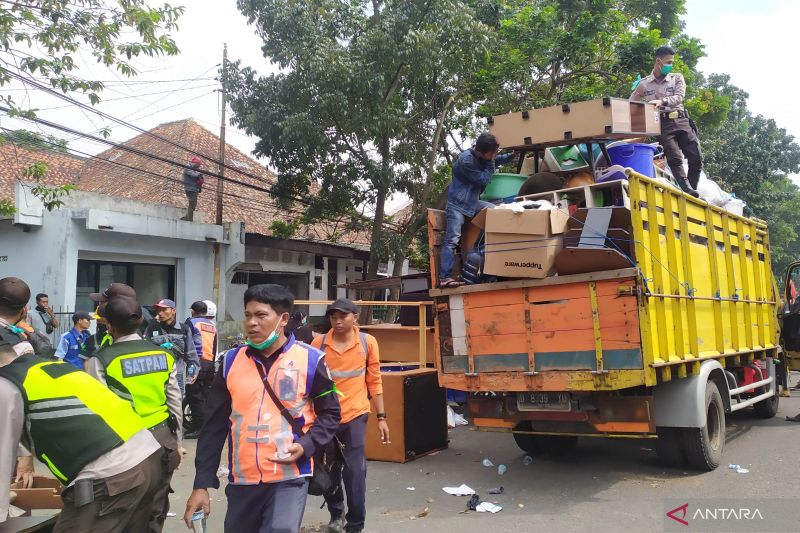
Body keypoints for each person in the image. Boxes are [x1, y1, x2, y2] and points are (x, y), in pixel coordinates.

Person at [183, 284, 341, 533]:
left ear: (283, 319)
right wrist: (201, 484)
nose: (251, 323)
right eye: (247, 315)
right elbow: (213, 427)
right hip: (242, 480)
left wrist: (307, 445)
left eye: (261, 315)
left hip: (289, 477)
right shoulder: (230, 363)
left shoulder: (311, 361)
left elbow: (331, 414)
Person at [0, 326, 165, 530]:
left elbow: (2, 456)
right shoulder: (47, 367)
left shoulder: (5, 384)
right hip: (147, 458)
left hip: (112, 475)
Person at [87, 296, 183, 532]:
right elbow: (175, 402)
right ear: (141, 320)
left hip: (124, 443)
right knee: (156, 507)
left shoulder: (101, 360)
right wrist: (178, 442)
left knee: (122, 510)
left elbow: (98, 410)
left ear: (108, 325)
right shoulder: (163, 355)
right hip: (163, 441)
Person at [311, 298, 389, 533]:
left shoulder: (367, 342)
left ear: (355, 317)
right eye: (333, 317)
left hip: (355, 414)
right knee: (330, 471)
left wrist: (382, 417)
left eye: (342, 316)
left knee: (355, 472)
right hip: (325, 418)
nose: (337, 321)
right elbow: (310, 383)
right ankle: (337, 514)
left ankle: (356, 524)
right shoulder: (319, 343)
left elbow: (374, 381)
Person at [439, 132, 515, 287]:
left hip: (472, 203)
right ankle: (444, 278)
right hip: (456, 205)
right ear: (481, 152)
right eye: (492, 154)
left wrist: (510, 156)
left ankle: (480, 254)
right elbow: (483, 179)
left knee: (496, 212)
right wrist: (493, 161)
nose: (494, 156)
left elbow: (494, 160)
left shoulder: (481, 157)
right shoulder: (466, 161)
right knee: (452, 239)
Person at [631, 45, 702, 197]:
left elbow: (679, 97)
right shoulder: (644, 84)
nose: (671, 65)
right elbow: (631, 104)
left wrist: (661, 101)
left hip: (681, 119)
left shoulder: (677, 78)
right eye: (668, 62)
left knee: (696, 157)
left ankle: (690, 191)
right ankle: (687, 191)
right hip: (662, 124)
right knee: (674, 158)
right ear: (658, 61)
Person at [145, 299, 199, 397]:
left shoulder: (184, 329)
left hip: (176, 375)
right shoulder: (152, 328)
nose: (160, 313)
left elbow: (191, 353)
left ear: (173, 311)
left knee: (177, 407)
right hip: (156, 375)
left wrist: (192, 372)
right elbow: (144, 351)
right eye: (158, 310)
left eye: (164, 309)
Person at [184, 300, 218, 438]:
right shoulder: (212, 325)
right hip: (209, 363)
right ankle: (199, 425)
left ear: (193, 311)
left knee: (193, 395)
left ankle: (199, 428)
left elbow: (186, 341)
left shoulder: (191, 322)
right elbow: (215, 346)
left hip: (195, 363)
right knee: (204, 395)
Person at [181, 156, 205, 222]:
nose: (198, 167)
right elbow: (192, 174)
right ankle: (188, 218)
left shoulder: (195, 170)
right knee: (192, 204)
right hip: (190, 189)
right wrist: (199, 174)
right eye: (198, 165)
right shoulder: (188, 167)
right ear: (195, 163)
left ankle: (188, 217)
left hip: (194, 189)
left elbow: (198, 177)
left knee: (193, 204)